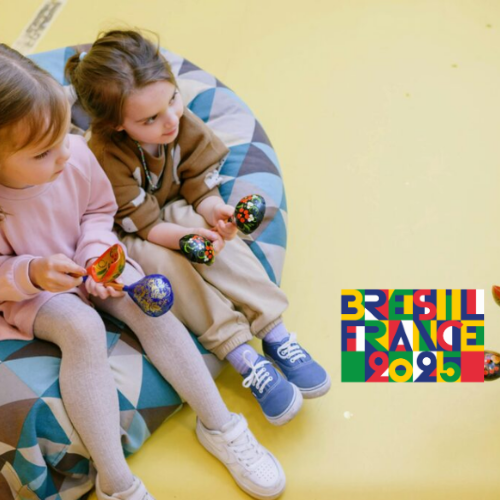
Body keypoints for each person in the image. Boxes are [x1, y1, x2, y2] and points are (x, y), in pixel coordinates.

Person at [0, 43, 286, 500]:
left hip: (96, 259)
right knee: (82, 328)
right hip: (35, 292)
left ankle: (221, 426)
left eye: (63, 138)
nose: (62, 156)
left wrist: (95, 255)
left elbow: (98, 212)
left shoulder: (75, 154)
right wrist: (33, 273)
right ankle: (116, 483)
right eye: (42, 154)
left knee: (148, 304)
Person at [66, 29, 331, 428]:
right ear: (117, 125)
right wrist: (187, 241)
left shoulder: (179, 120)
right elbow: (147, 227)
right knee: (167, 265)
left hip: (171, 206)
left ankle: (274, 331)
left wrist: (215, 212)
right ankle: (241, 353)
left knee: (211, 232)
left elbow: (198, 184)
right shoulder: (104, 156)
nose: (170, 120)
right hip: (130, 232)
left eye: (173, 99)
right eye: (150, 119)